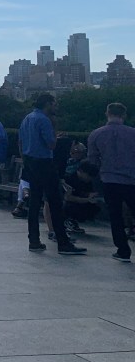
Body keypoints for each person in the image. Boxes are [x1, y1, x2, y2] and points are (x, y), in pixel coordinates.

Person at [19, 94, 85, 255]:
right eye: (54, 103)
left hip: (30, 162)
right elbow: (51, 144)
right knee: (55, 202)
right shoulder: (44, 120)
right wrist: (56, 135)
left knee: (34, 203)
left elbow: (20, 142)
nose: (56, 106)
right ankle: (63, 242)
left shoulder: (28, 118)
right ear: (48, 103)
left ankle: (34, 240)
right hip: (44, 163)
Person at [87, 102, 135, 263]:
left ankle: (123, 250)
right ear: (124, 115)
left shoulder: (96, 134)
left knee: (115, 215)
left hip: (109, 179)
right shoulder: (132, 133)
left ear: (107, 113)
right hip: (131, 179)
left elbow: (93, 160)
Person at [62, 161, 101, 235]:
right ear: (81, 171)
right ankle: (66, 220)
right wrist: (86, 200)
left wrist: (90, 195)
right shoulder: (69, 178)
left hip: (80, 200)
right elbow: (67, 197)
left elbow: (87, 191)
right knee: (69, 206)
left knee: (94, 208)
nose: (90, 178)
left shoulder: (87, 181)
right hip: (67, 202)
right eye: (89, 175)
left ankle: (73, 220)